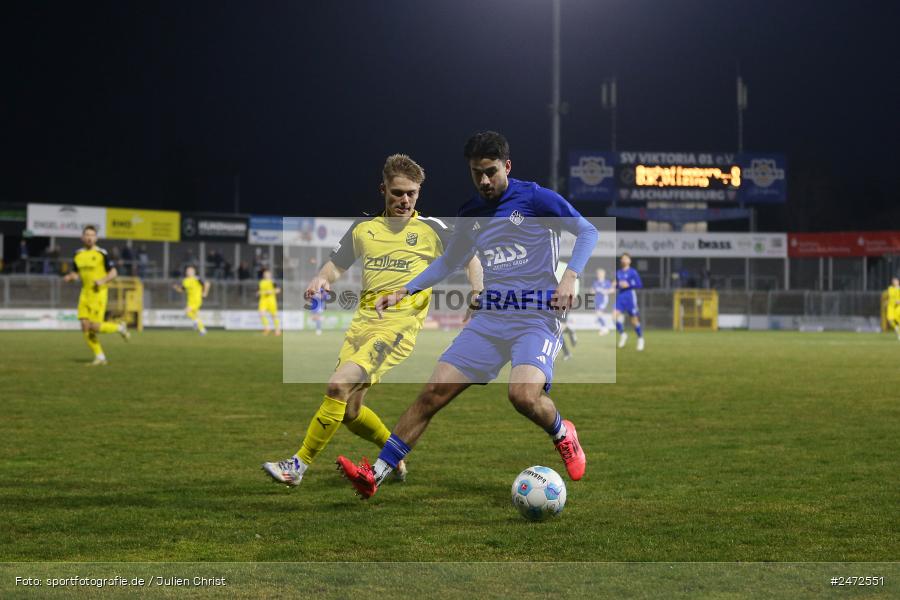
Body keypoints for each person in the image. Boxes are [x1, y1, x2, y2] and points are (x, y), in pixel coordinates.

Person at [336, 131, 597, 499]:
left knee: (523, 396)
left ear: (507, 166)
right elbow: (448, 262)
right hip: (490, 319)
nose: (485, 181)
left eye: (491, 172)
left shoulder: (535, 198)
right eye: (477, 173)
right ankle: (375, 475)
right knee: (432, 394)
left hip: (536, 317)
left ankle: (561, 433)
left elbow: (587, 230)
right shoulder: (470, 214)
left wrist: (570, 277)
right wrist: (406, 289)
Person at [262, 154, 483, 488]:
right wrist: (321, 279)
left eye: (411, 193)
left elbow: (471, 258)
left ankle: (297, 465)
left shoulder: (433, 229)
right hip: (361, 326)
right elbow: (335, 265)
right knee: (350, 412)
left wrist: (478, 292)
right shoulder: (363, 228)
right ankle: (395, 457)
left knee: (337, 385)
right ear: (383, 190)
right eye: (397, 193)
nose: (405, 200)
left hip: (397, 329)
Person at [62, 225, 129, 365]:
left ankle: (119, 327)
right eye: (87, 234)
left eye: (92, 235)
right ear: (82, 237)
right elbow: (76, 273)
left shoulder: (101, 253)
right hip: (85, 293)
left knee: (94, 326)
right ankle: (100, 357)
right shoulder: (77, 254)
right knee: (84, 326)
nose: (89, 237)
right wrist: (70, 277)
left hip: (99, 293)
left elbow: (114, 272)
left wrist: (102, 280)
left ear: (96, 238)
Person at [615, 253, 644, 351]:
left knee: (634, 321)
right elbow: (616, 285)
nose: (623, 260)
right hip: (621, 297)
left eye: (626, 258)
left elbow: (639, 285)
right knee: (614, 316)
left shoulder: (633, 272)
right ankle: (623, 334)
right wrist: (618, 285)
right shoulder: (618, 272)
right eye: (622, 259)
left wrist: (629, 285)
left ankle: (640, 338)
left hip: (630, 296)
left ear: (629, 261)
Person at [172, 266, 210, 335]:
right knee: (195, 316)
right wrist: (176, 288)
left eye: (190, 271)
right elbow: (182, 290)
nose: (189, 272)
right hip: (190, 301)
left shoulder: (197, 279)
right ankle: (202, 330)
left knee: (187, 311)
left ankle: (195, 322)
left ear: (194, 272)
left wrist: (205, 293)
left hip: (197, 299)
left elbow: (207, 284)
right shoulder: (185, 280)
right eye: (188, 271)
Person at [554, 260, 579, 360]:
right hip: (554, 301)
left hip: (563, 300)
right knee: (556, 329)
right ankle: (570, 330)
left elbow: (574, 281)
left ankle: (567, 353)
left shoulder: (560, 266)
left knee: (557, 330)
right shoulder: (569, 267)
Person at [258, 268, 282, 336]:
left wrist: (271, 291)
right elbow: (258, 291)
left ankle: (277, 330)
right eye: (265, 274)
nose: (266, 275)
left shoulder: (273, 282)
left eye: (267, 274)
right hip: (263, 300)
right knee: (261, 314)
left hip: (271, 300)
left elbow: (278, 290)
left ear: (270, 275)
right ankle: (267, 328)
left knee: (274, 316)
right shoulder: (261, 282)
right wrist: (260, 293)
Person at [593, 268, 613, 335]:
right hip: (597, 300)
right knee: (598, 314)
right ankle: (603, 328)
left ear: (604, 274)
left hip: (603, 300)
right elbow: (593, 290)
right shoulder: (596, 282)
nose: (599, 275)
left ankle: (605, 328)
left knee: (599, 314)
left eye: (600, 273)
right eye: (598, 273)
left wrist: (607, 291)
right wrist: (592, 291)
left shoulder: (607, 282)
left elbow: (612, 290)